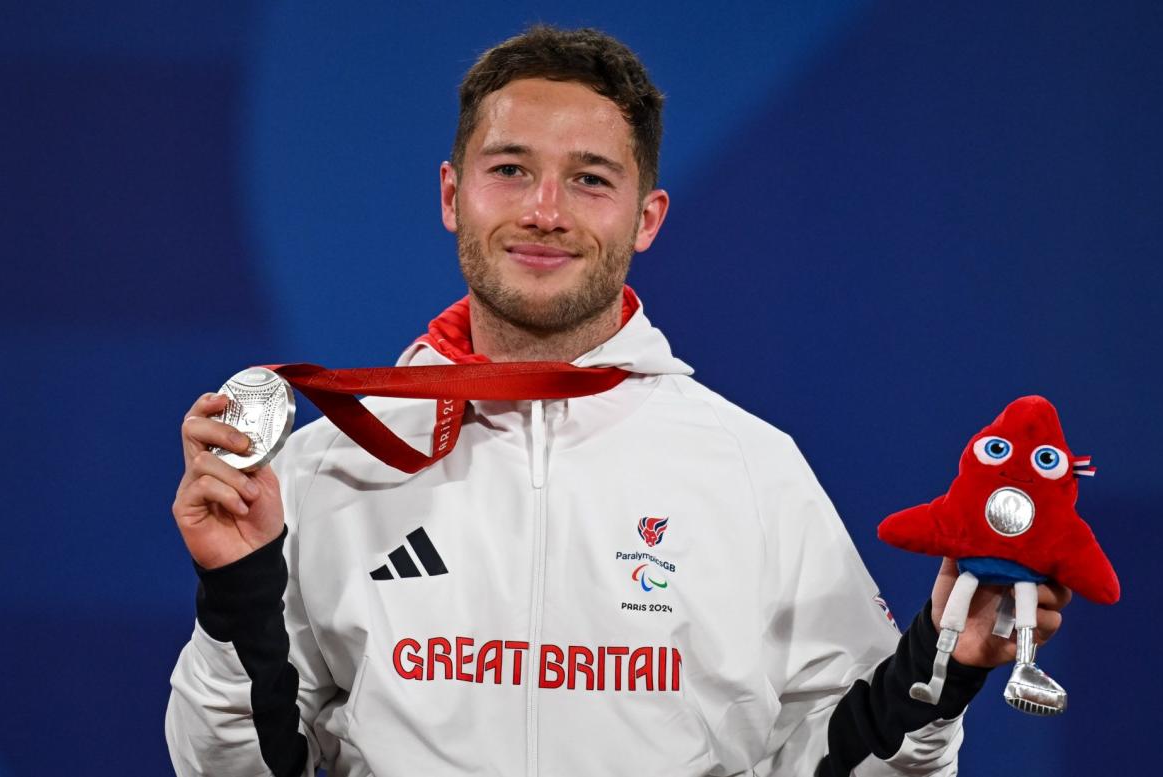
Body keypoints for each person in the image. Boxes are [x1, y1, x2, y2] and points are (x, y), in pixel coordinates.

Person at [166, 25, 1070, 777]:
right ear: (453, 196)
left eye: (591, 179)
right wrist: (236, 596)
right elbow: (228, 769)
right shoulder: (329, 467)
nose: (545, 210)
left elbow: (845, 762)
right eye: (510, 169)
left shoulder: (752, 471)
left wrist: (938, 670)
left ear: (648, 216)